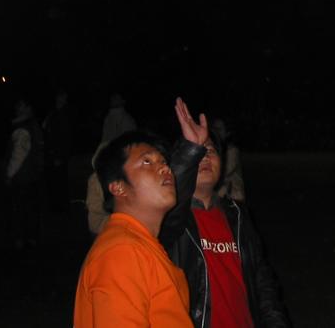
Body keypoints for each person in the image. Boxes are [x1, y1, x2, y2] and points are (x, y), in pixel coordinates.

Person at [73, 114, 204, 328]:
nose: (165, 168)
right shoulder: (121, 252)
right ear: (118, 187)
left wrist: (191, 150)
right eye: (147, 161)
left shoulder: (142, 245)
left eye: (164, 161)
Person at [162, 112, 291, 328]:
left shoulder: (238, 215)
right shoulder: (171, 221)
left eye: (211, 150)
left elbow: (262, 282)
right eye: (197, 151)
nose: (204, 157)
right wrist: (188, 153)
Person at [5, 97, 45, 250]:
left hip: (22, 175)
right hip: (32, 174)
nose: (18, 108)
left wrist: (9, 174)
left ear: (28, 108)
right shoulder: (34, 126)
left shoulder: (23, 128)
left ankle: (20, 239)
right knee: (31, 207)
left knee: (19, 208)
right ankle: (31, 237)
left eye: (21, 106)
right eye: (18, 105)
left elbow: (18, 154)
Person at [43, 89, 73, 212]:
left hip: (58, 155)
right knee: (53, 181)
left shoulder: (64, 114)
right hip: (51, 153)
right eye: (60, 96)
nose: (61, 99)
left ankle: (61, 208)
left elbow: (65, 137)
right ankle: (55, 206)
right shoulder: (53, 113)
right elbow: (47, 131)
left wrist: (59, 156)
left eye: (63, 97)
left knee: (60, 181)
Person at [210, 117, 246, 203]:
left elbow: (224, 173)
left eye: (219, 129)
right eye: (215, 129)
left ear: (227, 133)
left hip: (234, 198)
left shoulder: (231, 151)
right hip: (222, 197)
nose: (217, 132)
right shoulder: (215, 150)